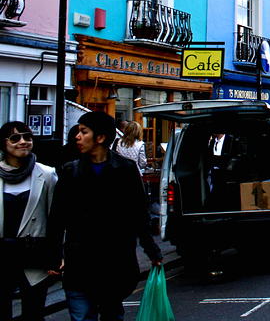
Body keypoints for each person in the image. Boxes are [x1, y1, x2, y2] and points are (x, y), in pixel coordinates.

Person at [48, 111, 162, 321]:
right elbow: (57, 218)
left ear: (100, 137)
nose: (77, 137)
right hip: (79, 263)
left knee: (111, 314)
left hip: (114, 263)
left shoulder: (125, 170)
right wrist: (54, 256)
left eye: (84, 132)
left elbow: (138, 215)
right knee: (82, 317)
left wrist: (152, 251)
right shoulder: (70, 171)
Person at [0, 122, 57, 321]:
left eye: (27, 137)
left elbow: (56, 218)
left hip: (33, 258)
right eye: (15, 138)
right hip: (2, 256)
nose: (23, 142)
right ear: (3, 143)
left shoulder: (47, 174)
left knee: (33, 314)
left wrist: (57, 255)